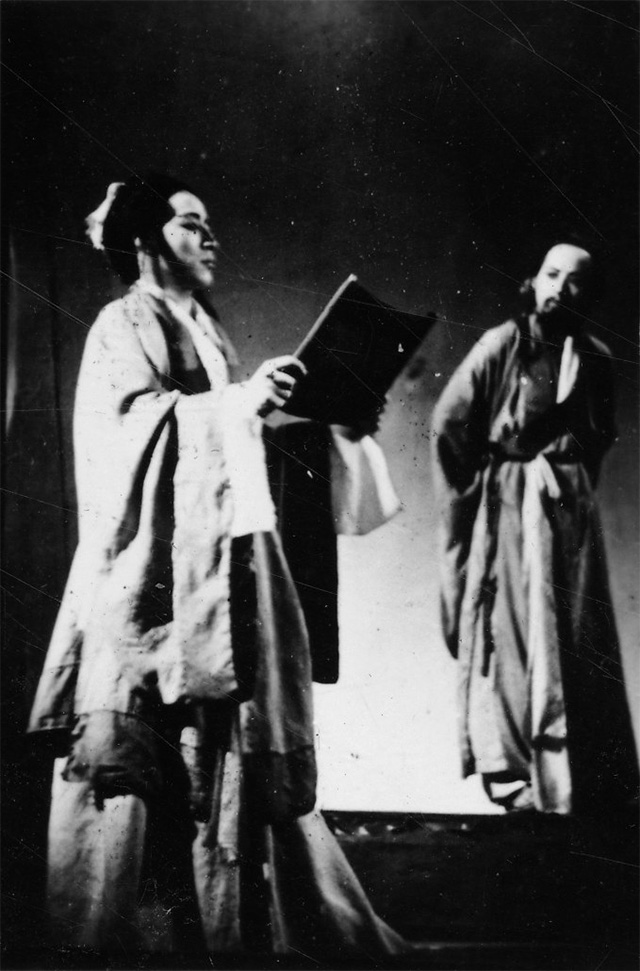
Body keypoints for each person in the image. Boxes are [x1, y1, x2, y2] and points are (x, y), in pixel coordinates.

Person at [28, 173, 406, 957]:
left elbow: (232, 446)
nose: (210, 238)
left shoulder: (205, 325)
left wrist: (321, 419)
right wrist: (240, 402)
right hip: (153, 576)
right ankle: (133, 938)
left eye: (208, 225)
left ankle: (231, 928)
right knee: (148, 751)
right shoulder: (121, 324)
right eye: (191, 224)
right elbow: (127, 431)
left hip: (214, 569)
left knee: (225, 740)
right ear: (145, 239)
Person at [432, 240, 639, 815]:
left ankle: (584, 780)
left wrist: (569, 482)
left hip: (569, 512)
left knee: (579, 630)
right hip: (512, 506)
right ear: (534, 280)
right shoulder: (502, 344)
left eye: (574, 282)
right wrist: (492, 482)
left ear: (588, 296)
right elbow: (450, 424)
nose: (558, 289)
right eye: (551, 274)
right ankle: (515, 774)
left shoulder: (594, 356)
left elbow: (599, 437)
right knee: (514, 628)